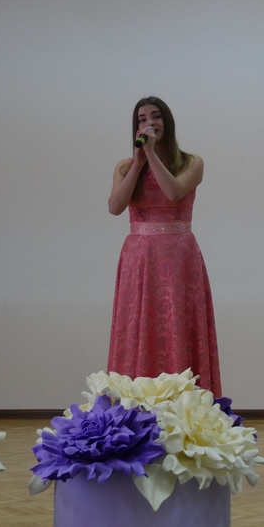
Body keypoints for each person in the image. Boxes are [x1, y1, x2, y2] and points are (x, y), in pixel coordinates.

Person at [107, 96, 221, 394]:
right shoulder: (125, 167)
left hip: (178, 257)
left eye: (155, 116)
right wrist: (138, 164)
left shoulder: (191, 162)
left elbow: (174, 192)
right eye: (142, 119)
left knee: (177, 324)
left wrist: (152, 155)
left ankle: (182, 402)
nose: (150, 123)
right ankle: (135, 403)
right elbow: (115, 207)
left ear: (167, 122)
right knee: (138, 325)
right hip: (139, 257)